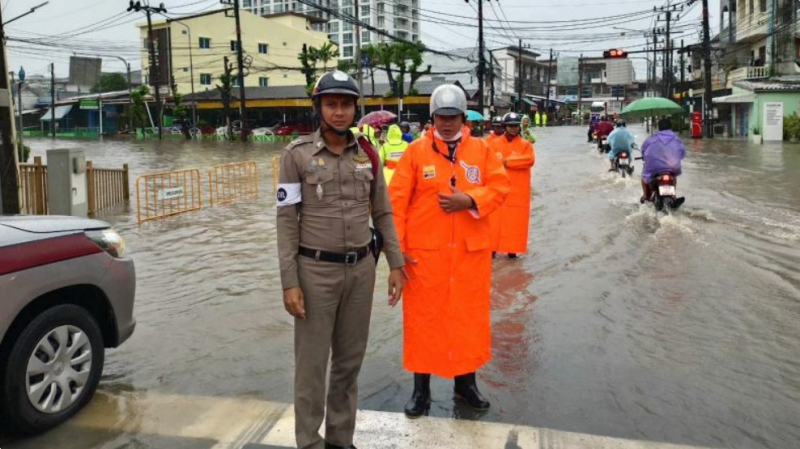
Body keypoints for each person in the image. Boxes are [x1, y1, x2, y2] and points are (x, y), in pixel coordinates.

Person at [276, 70, 407, 449]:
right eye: (331, 104)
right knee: (312, 367)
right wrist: (290, 281)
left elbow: (383, 213)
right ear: (319, 108)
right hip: (314, 273)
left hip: (362, 270)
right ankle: (309, 443)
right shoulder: (296, 155)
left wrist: (395, 264)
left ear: (355, 108)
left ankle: (340, 440)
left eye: (346, 104)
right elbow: (286, 221)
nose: (339, 112)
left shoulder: (368, 153)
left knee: (349, 364)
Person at [388, 84, 510, 419]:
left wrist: (470, 200)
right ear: (433, 118)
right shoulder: (416, 153)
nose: (447, 123)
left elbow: (500, 187)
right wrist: (396, 255)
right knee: (423, 322)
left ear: (463, 117)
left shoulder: (482, 150)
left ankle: (465, 384)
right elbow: (395, 204)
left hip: (470, 256)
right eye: (441, 117)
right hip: (424, 256)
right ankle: (421, 390)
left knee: (467, 320)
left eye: (453, 116)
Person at [488, 112, 535, 259]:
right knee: (494, 221)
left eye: (515, 126)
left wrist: (507, 162)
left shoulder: (525, 144)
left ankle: (512, 250)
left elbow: (529, 160)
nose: (513, 129)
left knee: (515, 222)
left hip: (518, 191)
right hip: (497, 190)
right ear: (505, 126)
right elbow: (487, 163)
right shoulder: (493, 144)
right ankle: (492, 249)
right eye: (510, 126)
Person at [640, 118, 686, 207]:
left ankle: (645, 196)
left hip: (654, 169)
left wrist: (644, 156)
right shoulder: (676, 139)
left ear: (659, 127)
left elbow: (643, 150)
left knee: (644, 176)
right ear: (670, 127)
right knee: (674, 177)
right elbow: (682, 153)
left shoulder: (651, 138)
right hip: (672, 167)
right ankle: (673, 195)